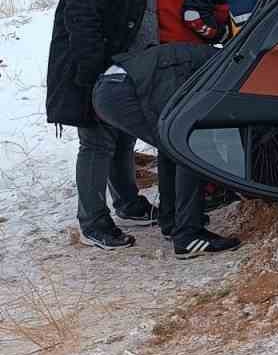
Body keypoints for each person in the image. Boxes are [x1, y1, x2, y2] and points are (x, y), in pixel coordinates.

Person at [46, 0, 164, 249]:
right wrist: (95, 72)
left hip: (119, 70)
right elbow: (80, 16)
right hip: (95, 71)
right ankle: (93, 221)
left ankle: (128, 204)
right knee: (97, 143)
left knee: (122, 138)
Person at [91, 44, 240, 259]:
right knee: (189, 148)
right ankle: (189, 236)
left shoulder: (214, 58)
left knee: (172, 145)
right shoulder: (227, 68)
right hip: (123, 90)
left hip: (109, 86)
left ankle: (171, 221)